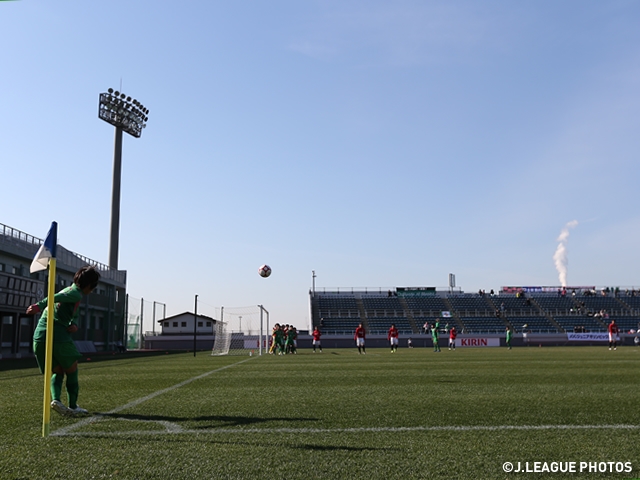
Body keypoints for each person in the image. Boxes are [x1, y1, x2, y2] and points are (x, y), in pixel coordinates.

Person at [26, 265, 100, 417]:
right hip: (57, 335)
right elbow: (54, 298)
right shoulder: (76, 294)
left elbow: (67, 312)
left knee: (57, 370)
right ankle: (73, 406)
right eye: (92, 288)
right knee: (72, 368)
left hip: (39, 336)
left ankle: (56, 401)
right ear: (88, 285)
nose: (91, 291)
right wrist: (38, 306)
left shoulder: (67, 290)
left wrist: (73, 324)